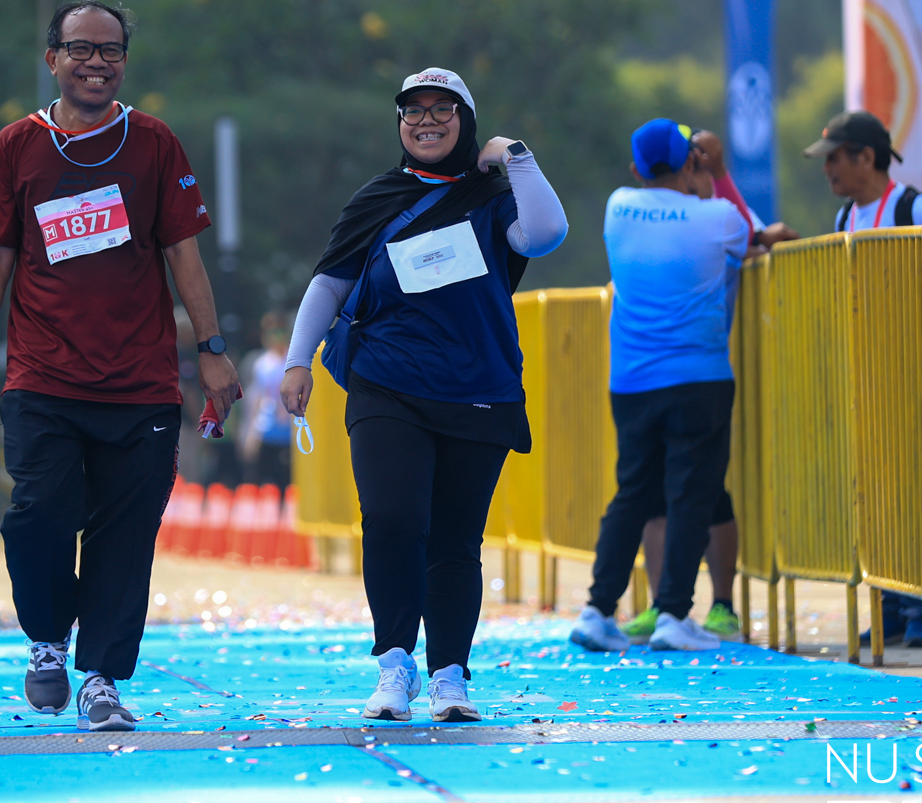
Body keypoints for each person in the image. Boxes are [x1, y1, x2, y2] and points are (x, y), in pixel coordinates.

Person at [0, 0, 237, 735]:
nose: (96, 63)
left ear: (124, 63)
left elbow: (184, 257)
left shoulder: (155, 143)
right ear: (53, 59)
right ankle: (47, 639)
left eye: (110, 50)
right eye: (81, 49)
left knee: (125, 534)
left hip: (141, 386)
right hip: (42, 380)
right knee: (38, 514)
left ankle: (101, 679)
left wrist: (211, 352)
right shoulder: (17, 146)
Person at [282, 67, 567, 722]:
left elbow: (547, 234)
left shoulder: (495, 197)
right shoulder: (377, 197)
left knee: (455, 541)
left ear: (466, 121)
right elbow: (330, 281)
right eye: (414, 111)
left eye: (443, 109)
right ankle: (394, 666)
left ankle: (450, 676)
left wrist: (513, 154)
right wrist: (298, 361)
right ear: (400, 123)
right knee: (392, 519)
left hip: (478, 388)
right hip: (388, 384)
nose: (427, 121)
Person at [573, 119, 776, 654]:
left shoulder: (618, 207)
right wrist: (716, 175)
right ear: (691, 162)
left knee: (633, 493)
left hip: (632, 380)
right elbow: (749, 237)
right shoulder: (716, 216)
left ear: (636, 168)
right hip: (698, 378)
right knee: (691, 495)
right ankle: (673, 615)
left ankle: (597, 610)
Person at [617, 130, 798, 643]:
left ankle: (720, 604)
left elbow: (753, 235)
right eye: (690, 164)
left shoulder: (719, 213)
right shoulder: (680, 215)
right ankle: (664, 605)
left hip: (696, 371)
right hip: (661, 373)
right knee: (658, 495)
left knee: (707, 494)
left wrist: (718, 179)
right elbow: (757, 240)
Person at [805, 108, 922, 648]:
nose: (827, 169)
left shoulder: (913, 208)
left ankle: (921, 612)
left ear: (867, 157)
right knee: (878, 495)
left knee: (917, 494)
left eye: (835, 158)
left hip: (914, 373)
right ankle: (888, 609)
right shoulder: (845, 216)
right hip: (867, 377)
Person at [238, 312, 295, 487]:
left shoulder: (294, 361)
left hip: (290, 433)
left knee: (288, 482)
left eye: (280, 332)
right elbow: (256, 399)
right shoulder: (261, 363)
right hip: (267, 431)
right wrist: (250, 433)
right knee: (262, 481)